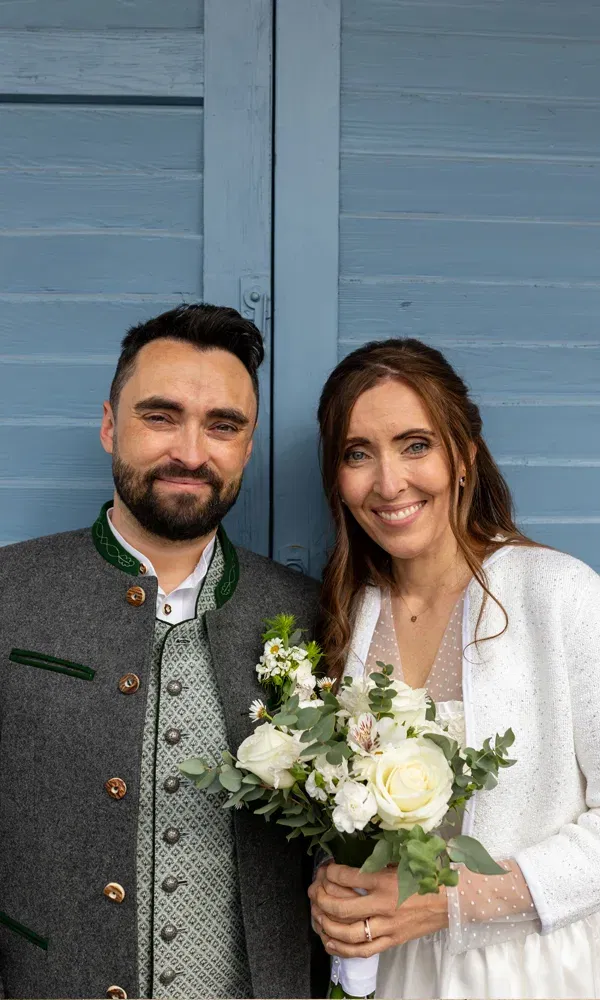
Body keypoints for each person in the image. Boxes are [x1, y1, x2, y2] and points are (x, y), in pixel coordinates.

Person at [0, 304, 327, 1000]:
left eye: (223, 426)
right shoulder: (7, 590)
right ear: (110, 425)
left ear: (248, 443)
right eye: (160, 416)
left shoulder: (312, 614)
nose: (191, 450)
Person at [308, 338, 600, 999]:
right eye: (358, 454)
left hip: (535, 975)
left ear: (463, 455)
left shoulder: (558, 593)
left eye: (415, 445)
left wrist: (451, 900)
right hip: (390, 977)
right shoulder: (347, 616)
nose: (388, 483)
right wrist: (334, 881)